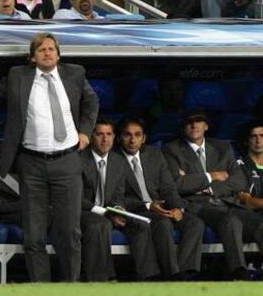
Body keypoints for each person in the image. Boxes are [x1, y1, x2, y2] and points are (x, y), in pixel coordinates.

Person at [0, 32, 99, 282]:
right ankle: (40, 288)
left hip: (68, 162)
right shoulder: (19, 76)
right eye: (41, 50)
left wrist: (85, 132)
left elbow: (92, 101)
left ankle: (70, 288)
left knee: (69, 233)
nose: (47, 53)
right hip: (32, 165)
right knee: (33, 237)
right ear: (32, 57)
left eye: (52, 49)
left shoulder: (75, 73)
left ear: (59, 54)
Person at [163, 110, 263, 280]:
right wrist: (213, 176)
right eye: (190, 122)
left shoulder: (223, 147)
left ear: (206, 125)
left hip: (227, 203)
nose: (194, 125)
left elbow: (239, 181)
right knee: (230, 221)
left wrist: (207, 187)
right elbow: (177, 184)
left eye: (199, 121)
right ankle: (238, 271)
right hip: (197, 206)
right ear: (183, 127)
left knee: (260, 223)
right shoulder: (171, 150)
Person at [117, 117, 204, 280]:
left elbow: (168, 187)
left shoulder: (154, 154)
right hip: (137, 210)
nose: (132, 139)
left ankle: (186, 273)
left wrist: (178, 208)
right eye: (127, 135)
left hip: (162, 207)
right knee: (162, 222)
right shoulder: (114, 159)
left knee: (195, 223)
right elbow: (116, 197)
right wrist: (149, 205)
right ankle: (172, 274)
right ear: (119, 137)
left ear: (144, 139)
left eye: (137, 135)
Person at [81, 117, 160, 281]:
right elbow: (77, 199)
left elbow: (118, 195)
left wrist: (118, 209)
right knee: (99, 224)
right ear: (91, 136)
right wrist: (107, 213)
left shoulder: (118, 161)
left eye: (109, 134)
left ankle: (148, 279)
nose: (105, 139)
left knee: (141, 225)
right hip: (86, 211)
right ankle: (104, 279)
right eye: (100, 134)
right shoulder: (78, 160)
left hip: (108, 212)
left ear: (114, 137)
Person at [237, 120, 263, 213]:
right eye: (253, 136)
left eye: (262, 136)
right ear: (246, 141)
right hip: (251, 217)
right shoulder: (238, 165)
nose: (258, 140)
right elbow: (246, 201)